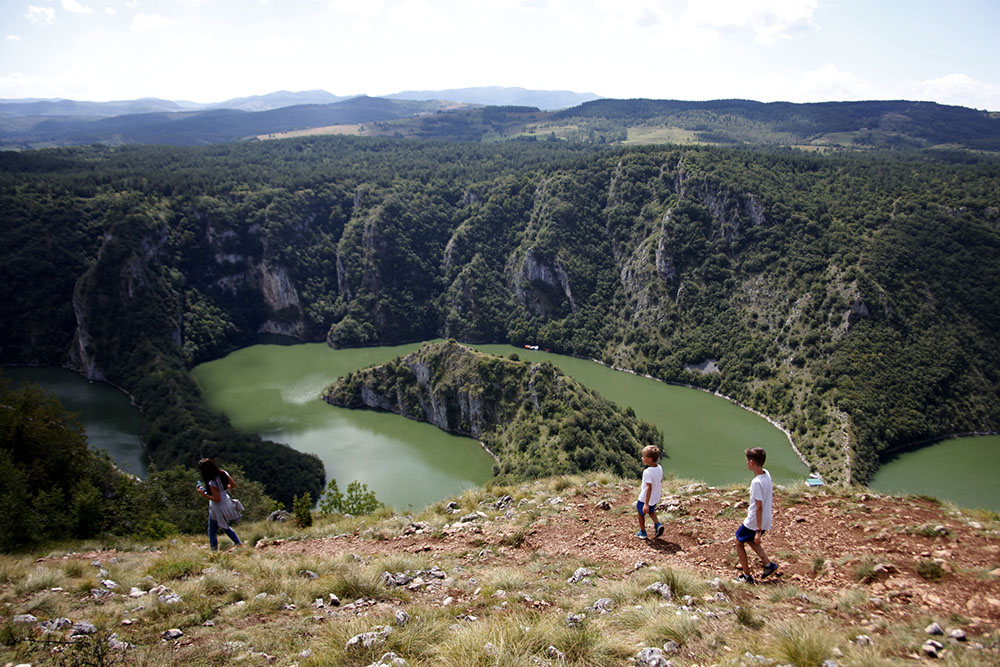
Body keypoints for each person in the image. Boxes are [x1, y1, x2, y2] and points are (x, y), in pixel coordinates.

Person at [734, 447, 778, 584]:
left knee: (738, 541)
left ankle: (747, 577)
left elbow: (758, 507)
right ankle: (767, 564)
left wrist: (758, 531)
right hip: (765, 519)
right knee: (750, 539)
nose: (746, 463)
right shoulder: (767, 474)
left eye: (747, 461)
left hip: (754, 521)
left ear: (752, 462)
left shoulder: (756, 483)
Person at [196, 457, 242, 550]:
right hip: (227, 503)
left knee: (212, 531)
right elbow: (233, 485)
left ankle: (214, 551)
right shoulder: (223, 473)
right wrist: (223, 490)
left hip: (217, 508)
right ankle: (238, 543)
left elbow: (217, 499)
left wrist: (204, 494)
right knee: (225, 526)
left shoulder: (212, 482)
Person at [635, 444, 664, 540]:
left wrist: (645, 504)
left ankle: (643, 532)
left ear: (650, 459)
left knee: (640, 513)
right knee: (651, 510)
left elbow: (648, 488)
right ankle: (657, 524)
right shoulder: (659, 468)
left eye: (644, 457)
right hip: (655, 496)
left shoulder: (647, 472)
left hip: (645, 498)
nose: (642, 458)